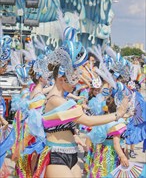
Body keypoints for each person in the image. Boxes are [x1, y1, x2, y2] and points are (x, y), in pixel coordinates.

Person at [41, 47, 130, 178]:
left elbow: (63, 126)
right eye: (73, 80)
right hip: (56, 155)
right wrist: (118, 114)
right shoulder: (55, 100)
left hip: (72, 153)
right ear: (61, 79)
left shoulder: (63, 99)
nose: (76, 84)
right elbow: (87, 120)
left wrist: (76, 136)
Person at [84, 96, 129, 178]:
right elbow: (116, 143)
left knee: (99, 172)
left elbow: (90, 136)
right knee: (110, 172)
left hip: (100, 149)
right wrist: (123, 156)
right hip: (111, 153)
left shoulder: (102, 120)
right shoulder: (119, 122)